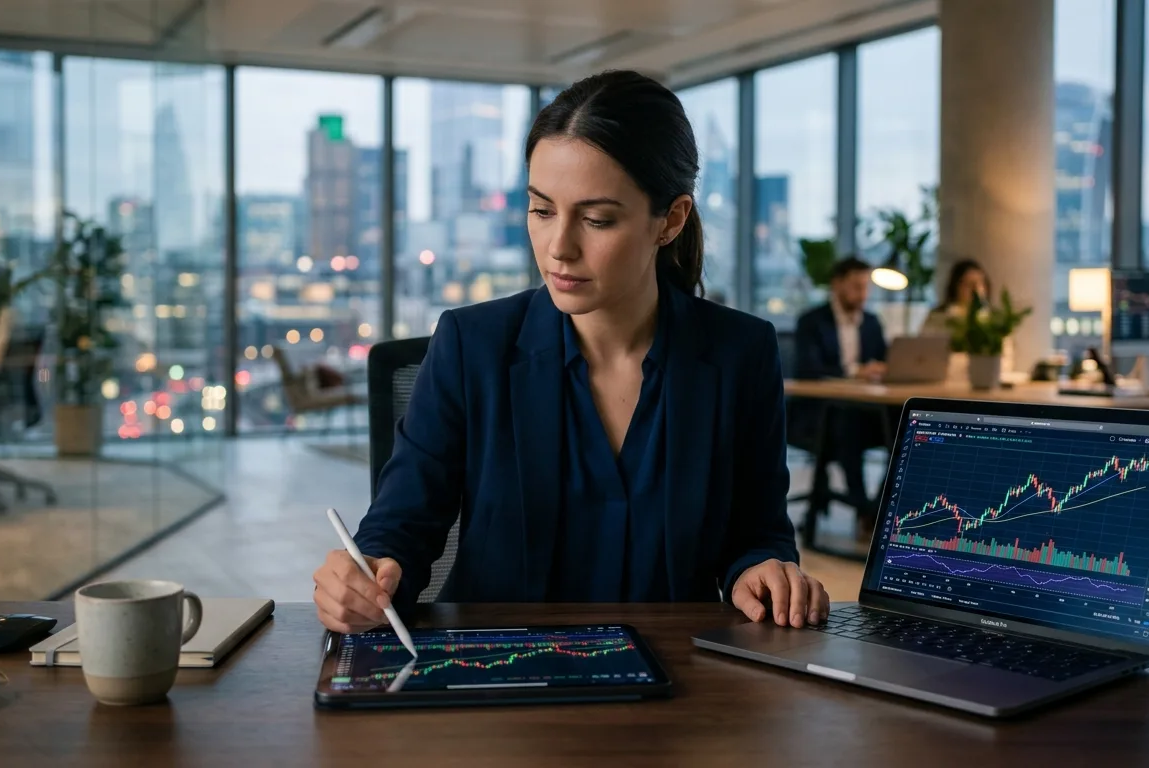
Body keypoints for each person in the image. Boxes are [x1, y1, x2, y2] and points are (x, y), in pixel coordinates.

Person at [314, 70, 828, 633]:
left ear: (671, 220)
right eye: (541, 210)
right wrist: (371, 574)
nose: (559, 247)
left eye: (597, 219)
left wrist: (759, 571)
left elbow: (759, 534)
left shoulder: (740, 354)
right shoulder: (471, 345)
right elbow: (400, 528)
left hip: (679, 684)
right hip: (499, 674)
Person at [790, 257, 889, 537]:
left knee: (901, 430)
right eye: (856, 286)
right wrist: (855, 372)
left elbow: (882, 361)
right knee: (849, 427)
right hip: (818, 414)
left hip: (864, 409)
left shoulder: (871, 323)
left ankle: (877, 507)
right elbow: (808, 369)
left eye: (865, 287)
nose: (863, 294)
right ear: (837, 285)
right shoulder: (811, 322)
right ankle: (864, 510)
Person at [920, 258, 1014, 375]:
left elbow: (1004, 362)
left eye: (980, 284)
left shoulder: (994, 322)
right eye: (969, 284)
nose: (975, 290)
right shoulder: (939, 318)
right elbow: (925, 357)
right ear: (955, 286)